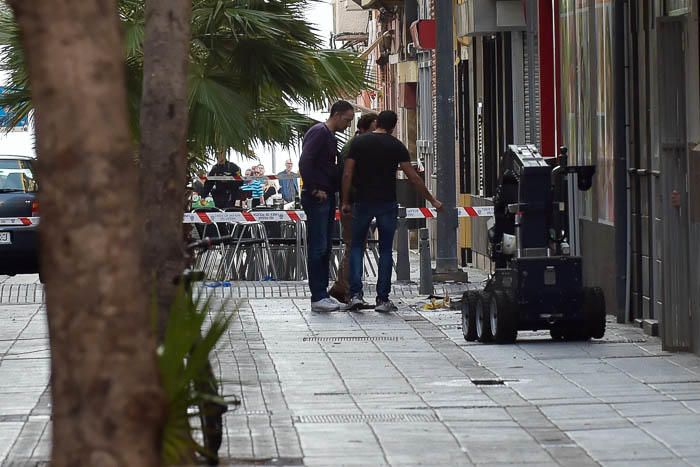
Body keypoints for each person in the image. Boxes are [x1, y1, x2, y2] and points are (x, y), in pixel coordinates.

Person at [341, 110, 443, 312]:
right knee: (386, 249)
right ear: (394, 126)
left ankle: (355, 295)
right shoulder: (396, 146)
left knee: (356, 248)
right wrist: (432, 200)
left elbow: (347, 173)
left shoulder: (359, 143)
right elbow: (413, 177)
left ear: (377, 122)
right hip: (387, 202)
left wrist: (345, 201)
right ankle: (382, 299)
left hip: (362, 202)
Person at [299, 100, 355, 312]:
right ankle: (318, 296)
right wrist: (314, 189)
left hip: (326, 195)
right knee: (318, 247)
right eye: (347, 120)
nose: (348, 125)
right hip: (318, 197)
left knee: (325, 247)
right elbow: (305, 161)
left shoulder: (327, 135)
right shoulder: (319, 133)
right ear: (338, 114)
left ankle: (321, 293)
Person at [329, 112, 378, 304]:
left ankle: (342, 286)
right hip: (354, 203)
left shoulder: (357, 145)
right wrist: (347, 201)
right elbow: (347, 176)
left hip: (355, 201)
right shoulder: (355, 147)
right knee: (354, 245)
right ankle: (344, 289)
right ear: (364, 129)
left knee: (356, 244)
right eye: (374, 129)